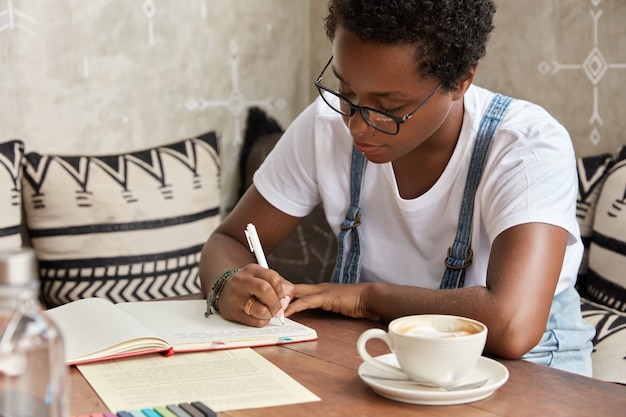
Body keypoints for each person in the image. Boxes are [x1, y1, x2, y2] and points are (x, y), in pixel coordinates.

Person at [199, 0, 595, 375]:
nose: (356, 125)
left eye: (387, 107)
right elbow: (227, 240)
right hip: (385, 358)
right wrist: (229, 284)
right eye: (347, 92)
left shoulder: (524, 146)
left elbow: (513, 325)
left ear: (461, 80)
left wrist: (366, 298)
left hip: (528, 372)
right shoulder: (325, 126)